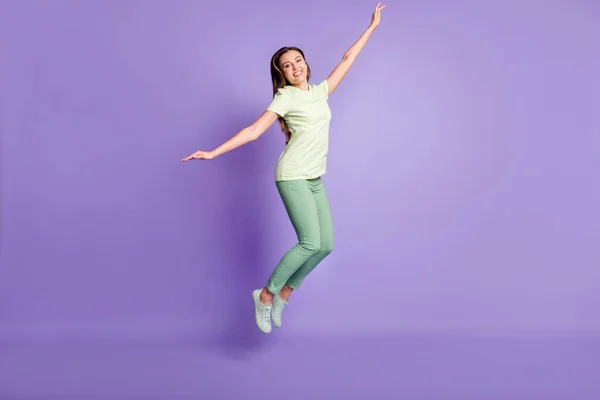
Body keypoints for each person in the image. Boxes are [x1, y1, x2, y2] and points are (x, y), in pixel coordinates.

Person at [181, 3, 386, 333]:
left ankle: (284, 294)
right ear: (281, 73)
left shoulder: (321, 92)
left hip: (314, 177)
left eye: (298, 61)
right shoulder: (285, 98)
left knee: (326, 245)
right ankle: (264, 295)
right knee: (309, 242)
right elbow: (253, 130)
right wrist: (213, 153)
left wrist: (372, 26)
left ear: (306, 63)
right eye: (287, 66)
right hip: (291, 175)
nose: (295, 68)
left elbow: (348, 59)